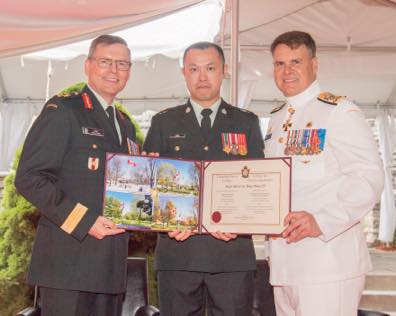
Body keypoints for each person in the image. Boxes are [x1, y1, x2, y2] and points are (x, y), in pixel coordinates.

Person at [15, 35, 137, 316]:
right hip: (67, 264)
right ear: (88, 65)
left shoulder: (125, 125)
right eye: (105, 61)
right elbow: (30, 177)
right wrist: (84, 221)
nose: (113, 70)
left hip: (110, 266)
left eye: (122, 64)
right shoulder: (64, 110)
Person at [265, 30, 384, 316]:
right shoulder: (277, 118)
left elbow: (369, 177)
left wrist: (323, 221)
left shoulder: (339, 111)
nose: (287, 71)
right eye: (280, 64)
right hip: (283, 264)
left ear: (314, 65)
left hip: (327, 262)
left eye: (295, 62)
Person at [143, 41, 265, 316]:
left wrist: (242, 220)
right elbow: (148, 187)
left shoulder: (246, 122)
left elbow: (258, 183)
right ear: (184, 73)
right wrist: (164, 224)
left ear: (224, 71)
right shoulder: (164, 122)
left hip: (231, 254)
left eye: (210, 68)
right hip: (178, 253)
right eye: (194, 69)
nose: (202, 77)